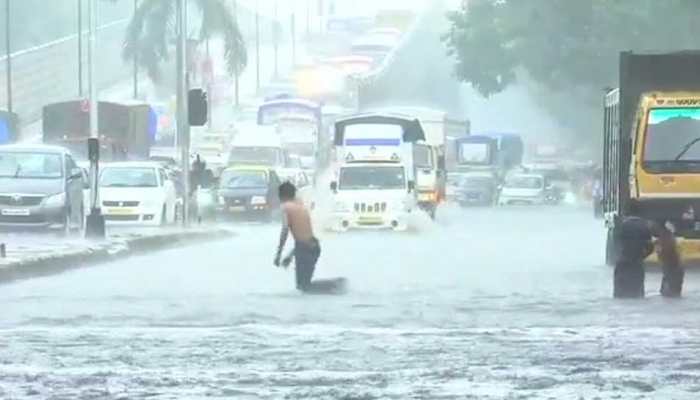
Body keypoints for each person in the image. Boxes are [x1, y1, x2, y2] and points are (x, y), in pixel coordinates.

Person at [274, 181, 320, 292]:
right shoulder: (300, 206)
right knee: (305, 285)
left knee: (302, 286)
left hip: (304, 248)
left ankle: (330, 289)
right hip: (314, 246)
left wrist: (278, 254)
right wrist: (290, 255)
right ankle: (332, 288)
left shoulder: (286, 207)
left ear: (281, 196)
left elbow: (285, 230)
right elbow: (304, 237)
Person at [613, 203, 654, 298]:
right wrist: (641, 256)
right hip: (637, 266)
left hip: (623, 264)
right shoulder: (644, 227)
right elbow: (650, 247)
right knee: (637, 295)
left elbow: (616, 244)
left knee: (620, 296)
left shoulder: (622, 225)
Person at [651, 222, 684, 298]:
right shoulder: (666, 237)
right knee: (671, 295)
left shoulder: (665, 238)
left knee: (670, 294)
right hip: (673, 269)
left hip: (672, 269)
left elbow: (665, 253)